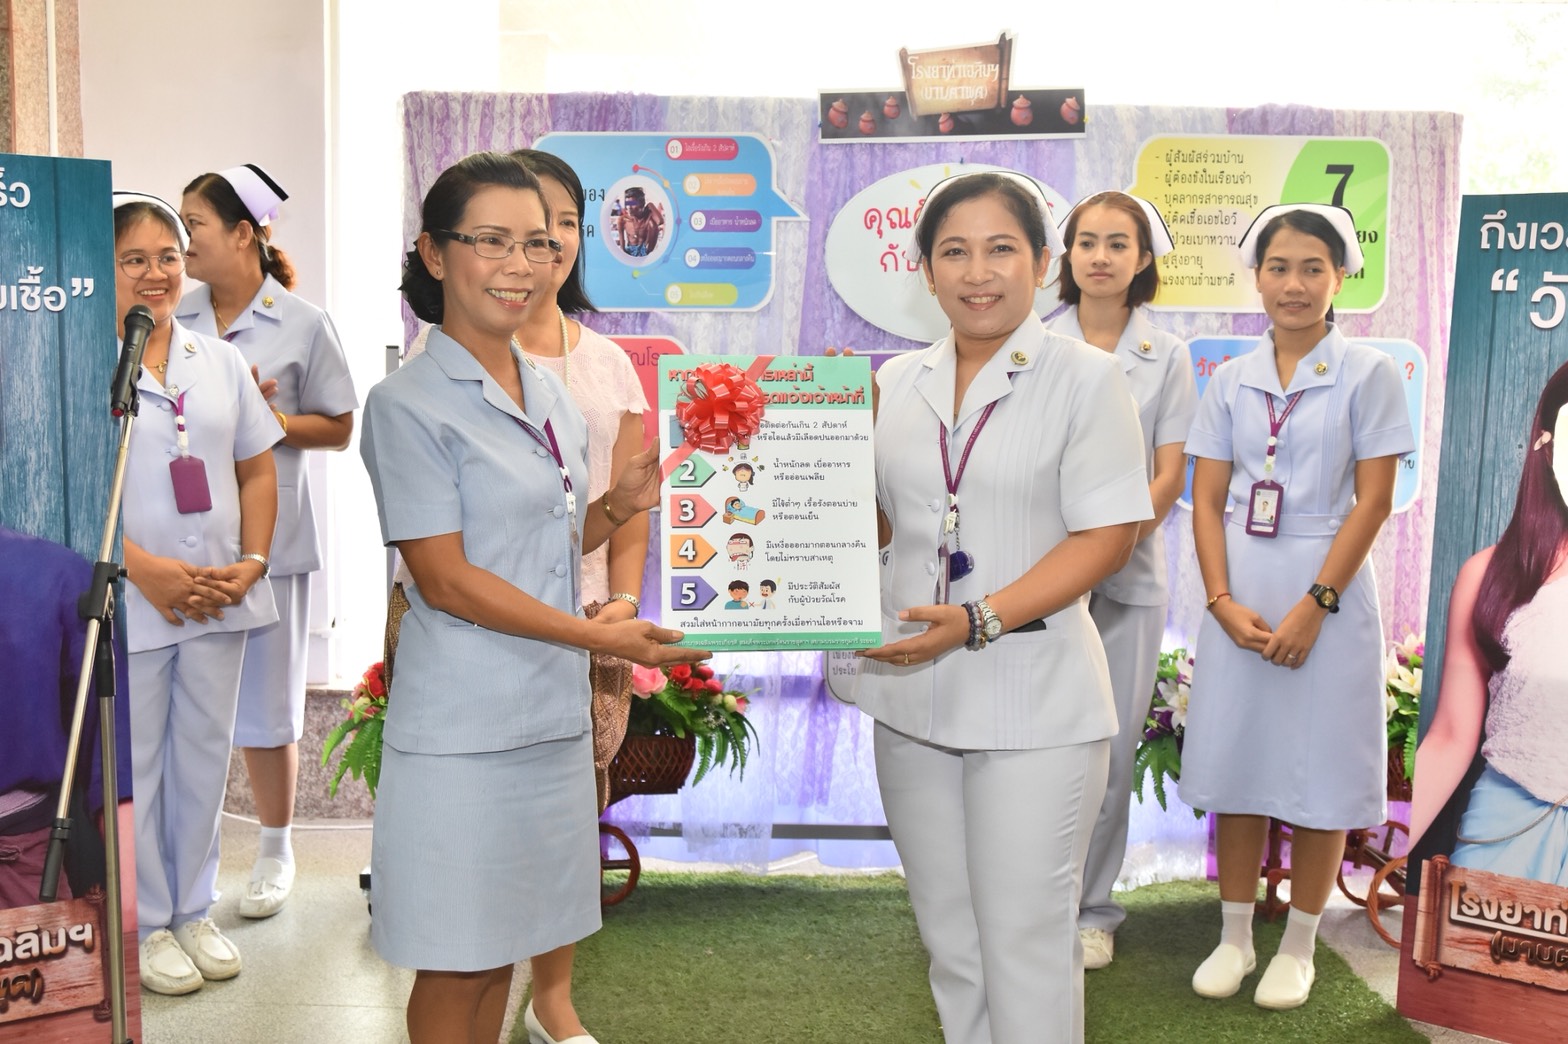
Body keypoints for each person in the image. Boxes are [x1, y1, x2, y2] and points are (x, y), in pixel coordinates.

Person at [360, 151, 705, 1044]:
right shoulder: (406, 405)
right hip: (465, 727)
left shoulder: (547, 389)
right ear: (435, 254)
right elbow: (447, 578)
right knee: (457, 959)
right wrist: (601, 640)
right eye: (492, 241)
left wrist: (615, 508)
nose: (520, 264)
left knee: (503, 952)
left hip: (547, 719)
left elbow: (539, 544)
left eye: (539, 243)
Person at [854, 169, 1152, 1044]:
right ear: (925, 271)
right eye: (954, 252)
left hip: (1035, 699)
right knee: (951, 941)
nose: (977, 273)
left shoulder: (1087, 379)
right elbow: (884, 526)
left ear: (1041, 262)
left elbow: (1108, 537)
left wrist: (980, 618)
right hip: (910, 696)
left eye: (1000, 250)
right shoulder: (893, 382)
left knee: (1025, 942)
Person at [1180, 204, 1414, 1010]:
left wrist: (1318, 603)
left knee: (1321, 766)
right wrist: (1219, 601)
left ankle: (1301, 946)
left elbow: (1374, 501)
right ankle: (1235, 937)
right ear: (1258, 277)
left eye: (1313, 268)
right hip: (1242, 584)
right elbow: (1206, 500)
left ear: (1339, 277)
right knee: (1241, 762)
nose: (1294, 283)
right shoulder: (1229, 380)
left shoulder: (1369, 373)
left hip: (1330, 586)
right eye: (1279, 267)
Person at [404, 147, 650, 816]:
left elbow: (627, 504)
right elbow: (444, 560)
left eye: (563, 225)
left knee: (567, 814)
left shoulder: (609, 362)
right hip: (470, 629)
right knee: (469, 812)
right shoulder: (435, 362)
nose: (546, 245)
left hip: (592, 615)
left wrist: (622, 601)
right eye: (512, 233)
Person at [177, 164, 359, 918]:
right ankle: (193, 860)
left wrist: (265, 418)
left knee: (269, 706)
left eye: (194, 224)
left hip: (272, 541)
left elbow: (339, 426)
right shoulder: (175, 315)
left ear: (243, 234)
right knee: (192, 707)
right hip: (185, 538)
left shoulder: (302, 323)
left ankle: (277, 851)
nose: (183, 239)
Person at [113, 192, 281, 995]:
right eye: (134, 259)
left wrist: (253, 561)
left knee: (205, 761)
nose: (155, 273)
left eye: (168, 256)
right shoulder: (86, 364)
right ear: (105, 270)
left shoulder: (217, 361)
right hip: (135, 597)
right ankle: (146, 922)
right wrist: (140, 568)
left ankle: (192, 910)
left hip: (219, 595)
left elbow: (257, 469)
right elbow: (70, 494)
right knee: (140, 764)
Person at [1046, 191, 1198, 970]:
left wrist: (1109, 547)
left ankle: (1092, 911)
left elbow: (1169, 474)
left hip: (1130, 573)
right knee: (1037, 746)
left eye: (1118, 243)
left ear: (1143, 259)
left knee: (1107, 750)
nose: (1101, 256)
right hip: (1041, 574)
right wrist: (1068, 559)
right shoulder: (1034, 343)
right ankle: (1030, 905)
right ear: (1066, 255)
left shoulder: (1167, 355)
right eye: (1087, 242)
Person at [1409, 359, 1568, 883]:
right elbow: (1452, 734)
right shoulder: (1487, 576)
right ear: (1548, 446)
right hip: (1505, 826)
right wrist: (1392, 850)